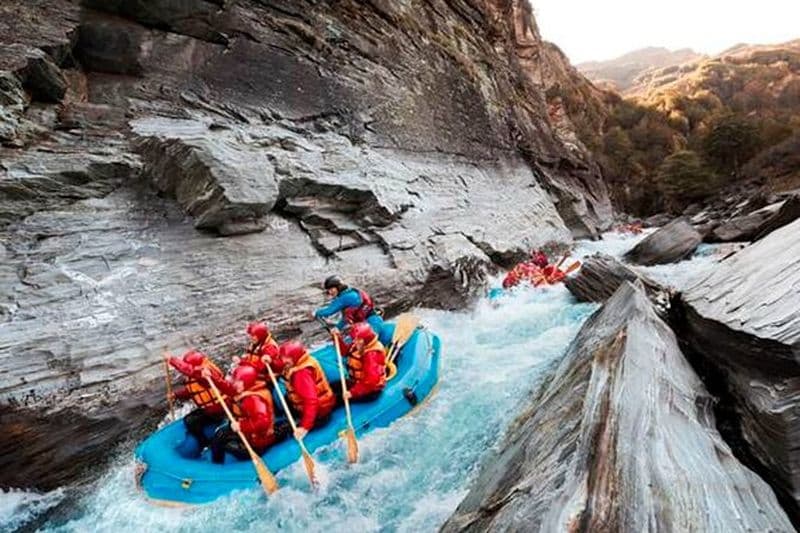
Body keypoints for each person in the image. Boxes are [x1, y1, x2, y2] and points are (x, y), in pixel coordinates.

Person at [207, 365, 289, 464]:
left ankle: (218, 466)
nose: (234, 384)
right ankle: (216, 463)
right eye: (235, 380)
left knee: (224, 443)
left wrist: (241, 426)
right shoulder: (242, 389)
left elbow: (263, 422)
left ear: (246, 382)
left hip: (257, 442)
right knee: (220, 435)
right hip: (248, 432)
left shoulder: (253, 399)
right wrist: (211, 377)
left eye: (238, 382)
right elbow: (226, 387)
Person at [168, 350, 227, 457]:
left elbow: (189, 371)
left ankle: (204, 442)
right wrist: (176, 395)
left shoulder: (204, 375)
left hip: (218, 410)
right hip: (210, 409)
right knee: (191, 417)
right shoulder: (198, 375)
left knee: (190, 421)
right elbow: (193, 391)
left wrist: (172, 360)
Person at [277, 340, 336, 439]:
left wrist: (304, 427)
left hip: (319, 415)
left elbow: (311, 401)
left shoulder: (301, 374)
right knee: (285, 399)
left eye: (286, 358)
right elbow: (281, 363)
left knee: (284, 430)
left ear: (294, 357)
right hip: (316, 404)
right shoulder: (302, 359)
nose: (284, 361)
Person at [333, 322, 386, 402]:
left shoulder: (372, 355)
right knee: (333, 386)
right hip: (357, 382)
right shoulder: (360, 345)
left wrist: (351, 393)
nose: (355, 341)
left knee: (336, 399)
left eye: (358, 340)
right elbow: (344, 352)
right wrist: (337, 338)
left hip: (370, 391)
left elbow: (371, 382)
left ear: (365, 339)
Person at [313, 276, 383, 333]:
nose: (330, 292)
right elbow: (347, 318)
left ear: (338, 287)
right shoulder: (348, 293)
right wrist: (338, 327)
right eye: (328, 290)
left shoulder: (346, 297)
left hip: (371, 323)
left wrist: (315, 313)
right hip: (369, 322)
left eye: (331, 289)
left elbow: (329, 311)